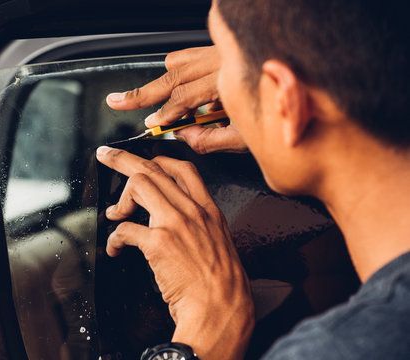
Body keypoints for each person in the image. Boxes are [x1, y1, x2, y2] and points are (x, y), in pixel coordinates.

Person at [95, 0, 410, 359]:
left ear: (285, 100)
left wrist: (208, 326)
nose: (217, 89)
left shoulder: (335, 350)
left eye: (225, 63)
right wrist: (267, 98)